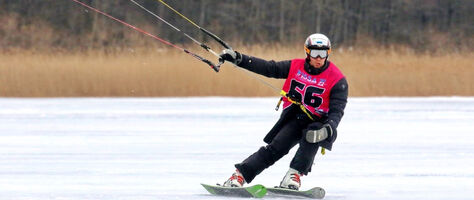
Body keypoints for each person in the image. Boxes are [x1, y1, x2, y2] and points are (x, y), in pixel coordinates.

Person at [218, 33, 348, 190]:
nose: (319, 58)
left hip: (318, 123)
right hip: (296, 117)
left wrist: (329, 128)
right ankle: (239, 176)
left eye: (323, 53)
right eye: (315, 53)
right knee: (275, 149)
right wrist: (240, 59)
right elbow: (269, 68)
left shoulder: (337, 79)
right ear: (307, 52)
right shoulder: (295, 66)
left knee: (313, 135)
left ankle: (294, 175)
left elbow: (337, 110)